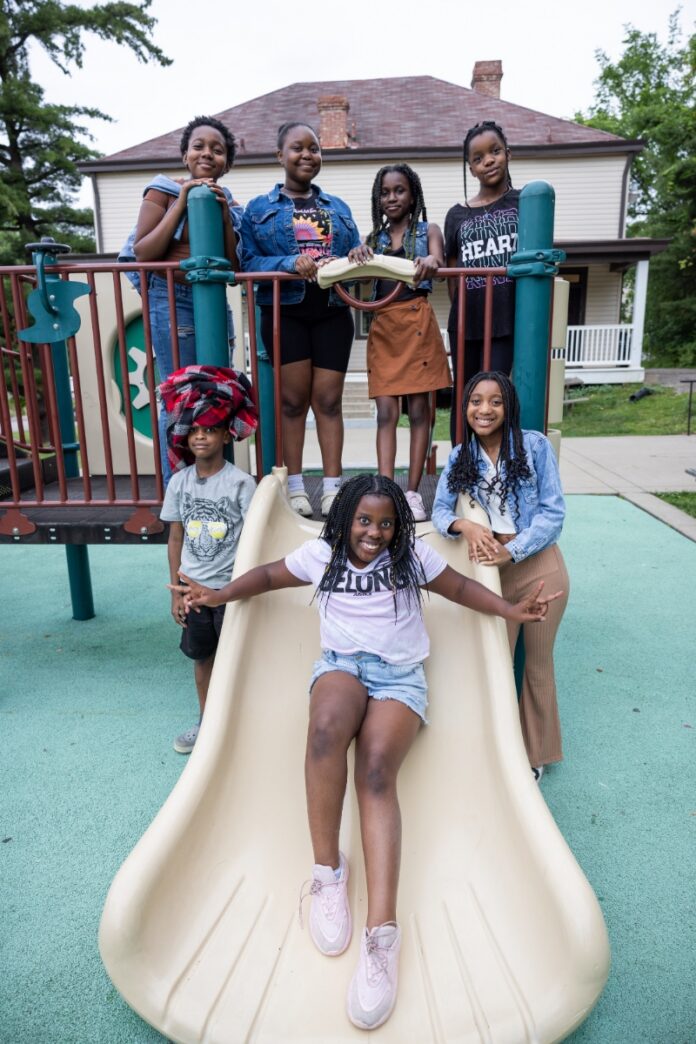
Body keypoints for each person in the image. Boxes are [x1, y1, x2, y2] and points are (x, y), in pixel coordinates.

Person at [170, 473, 561, 1028]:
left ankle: (382, 936)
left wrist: (510, 612)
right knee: (326, 730)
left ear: (399, 526)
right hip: (341, 665)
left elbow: (461, 588)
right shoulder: (322, 554)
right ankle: (328, 873)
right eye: (364, 520)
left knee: (376, 770)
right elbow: (267, 575)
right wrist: (219, 593)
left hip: (400, 678)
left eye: (386, 522)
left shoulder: (413, 559)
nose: (374, 532)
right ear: (345, 518)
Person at [431, 372, 568, 780]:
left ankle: (533, 755)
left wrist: (514, 549)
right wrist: (466, 527)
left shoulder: (535, 447)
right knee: (494, 663)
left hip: (539, 566)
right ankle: (496, 749)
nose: (484, 409)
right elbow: (439, 511)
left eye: (495, 401)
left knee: (538, 665)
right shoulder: (460, 457)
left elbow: (552, 513)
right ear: (466, 408)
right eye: (475, 401)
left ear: (508, 407)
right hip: (490, 577)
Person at [240, 122, 361, 518]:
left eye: (314, 148)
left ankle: (331, 487)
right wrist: (288, 262)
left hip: (332, 311)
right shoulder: (259, 209)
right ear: (280, 156)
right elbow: (247, 262)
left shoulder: (338, 208)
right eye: (297, 148)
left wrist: (356, 255)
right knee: (292, 403)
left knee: (328, 401)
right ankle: (294, 485)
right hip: (285, 312)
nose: (307, 155)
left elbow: (355, 253)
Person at [119, 116, 243, 485]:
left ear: (226, 162)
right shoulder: (163, 190)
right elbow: (144, 253)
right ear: (185, 154)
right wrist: (185, 196)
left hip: (212, 297)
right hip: (171, 296)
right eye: (199, 146)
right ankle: (179, 485)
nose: (208, 154)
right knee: (179, 393)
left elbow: (235, 263)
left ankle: (212, 482)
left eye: (218, 150)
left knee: (214, 391)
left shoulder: (227, 201)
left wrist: (221, 212)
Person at [159, 365, 258, 754]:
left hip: (229, 590)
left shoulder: (240, 484)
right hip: (192, 592)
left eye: (210, 429)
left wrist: (241, 588)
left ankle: (238, 724)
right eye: (195, 430)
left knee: (237, 658)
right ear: (187, 437)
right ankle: (206, 722)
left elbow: (253, 538)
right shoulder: (179, 482)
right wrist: (175, 591)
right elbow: (175, 535)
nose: (201, 435)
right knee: (202, 658)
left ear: (224, 433)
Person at [347, 164, 451, 522]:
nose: (392, 198)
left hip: (417, 321)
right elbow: (358, 278)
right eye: (385, 192)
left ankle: (412, 492)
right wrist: (357, 255)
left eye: (399, 190)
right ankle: (385, 490)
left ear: (413, 195)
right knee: (387, 413)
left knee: (420, 412)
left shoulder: (428, 230)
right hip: (385, 326)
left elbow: (436, 259)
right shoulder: (373, 239)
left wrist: (429, 261)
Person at [444, 121, 519, 443]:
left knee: (496, 399)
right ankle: (462, 469)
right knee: (467, 399)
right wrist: (463, 309)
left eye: (495, 151)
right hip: (468, 322)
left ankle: (498, 470)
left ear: (508, 154)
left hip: (507, 320)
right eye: (478, 157)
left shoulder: (524, 202)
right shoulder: (457, 214)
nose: (488, 160)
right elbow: (451, 271)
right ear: (471, 168)